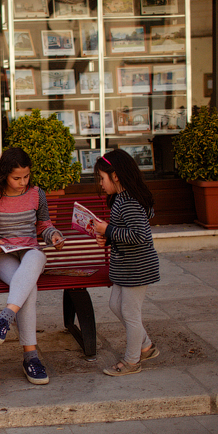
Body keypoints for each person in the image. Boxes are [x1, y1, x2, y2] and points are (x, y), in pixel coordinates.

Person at [0, 147, 65, 385]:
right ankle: (31, 357)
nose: (23, 182)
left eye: (26, 176)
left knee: (36, 258)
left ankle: (5, 318)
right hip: (2, 257)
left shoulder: (37, 194)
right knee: (28, 287)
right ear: (4, 174)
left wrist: (53, 236)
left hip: (30, 253)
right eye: (17, 178)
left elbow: (44, 226)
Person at [91, 149, 161, 376]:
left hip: (137, 268)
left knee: (131, 314)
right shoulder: (121, 198)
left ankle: (132, 361)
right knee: (115, 305)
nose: (100, 184)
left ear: (116, 175)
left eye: (102, 178)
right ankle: (146, 346)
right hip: (126, 266)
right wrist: (108, 236)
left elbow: (138, 235)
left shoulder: (129, 201)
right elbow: (126, 233)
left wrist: (108, 229)